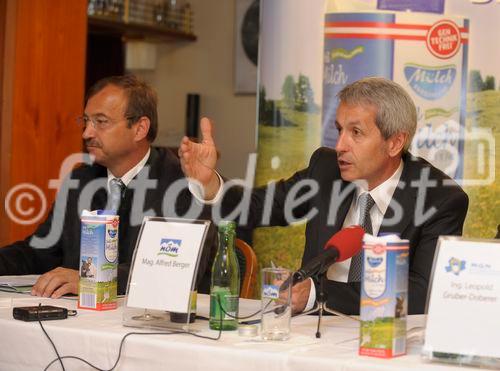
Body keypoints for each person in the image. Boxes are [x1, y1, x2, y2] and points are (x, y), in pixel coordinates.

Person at [179, 77, 469, 315]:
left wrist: (319, 294)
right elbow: (259, 208)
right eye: (339, 130)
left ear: (395, 142)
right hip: (311, 337)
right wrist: (210, 184)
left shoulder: (440, 199)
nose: (340, 145)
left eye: (356, 132)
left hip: (388, 344)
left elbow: (422, 293)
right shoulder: (325, 170)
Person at [0, 75, 214, 298]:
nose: (86, 133)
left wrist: (91, 279)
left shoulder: (182, 183)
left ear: (140, 128)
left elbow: (174, 272)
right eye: (85, 121)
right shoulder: (80, 181)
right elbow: (39, 252)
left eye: (101, 122)